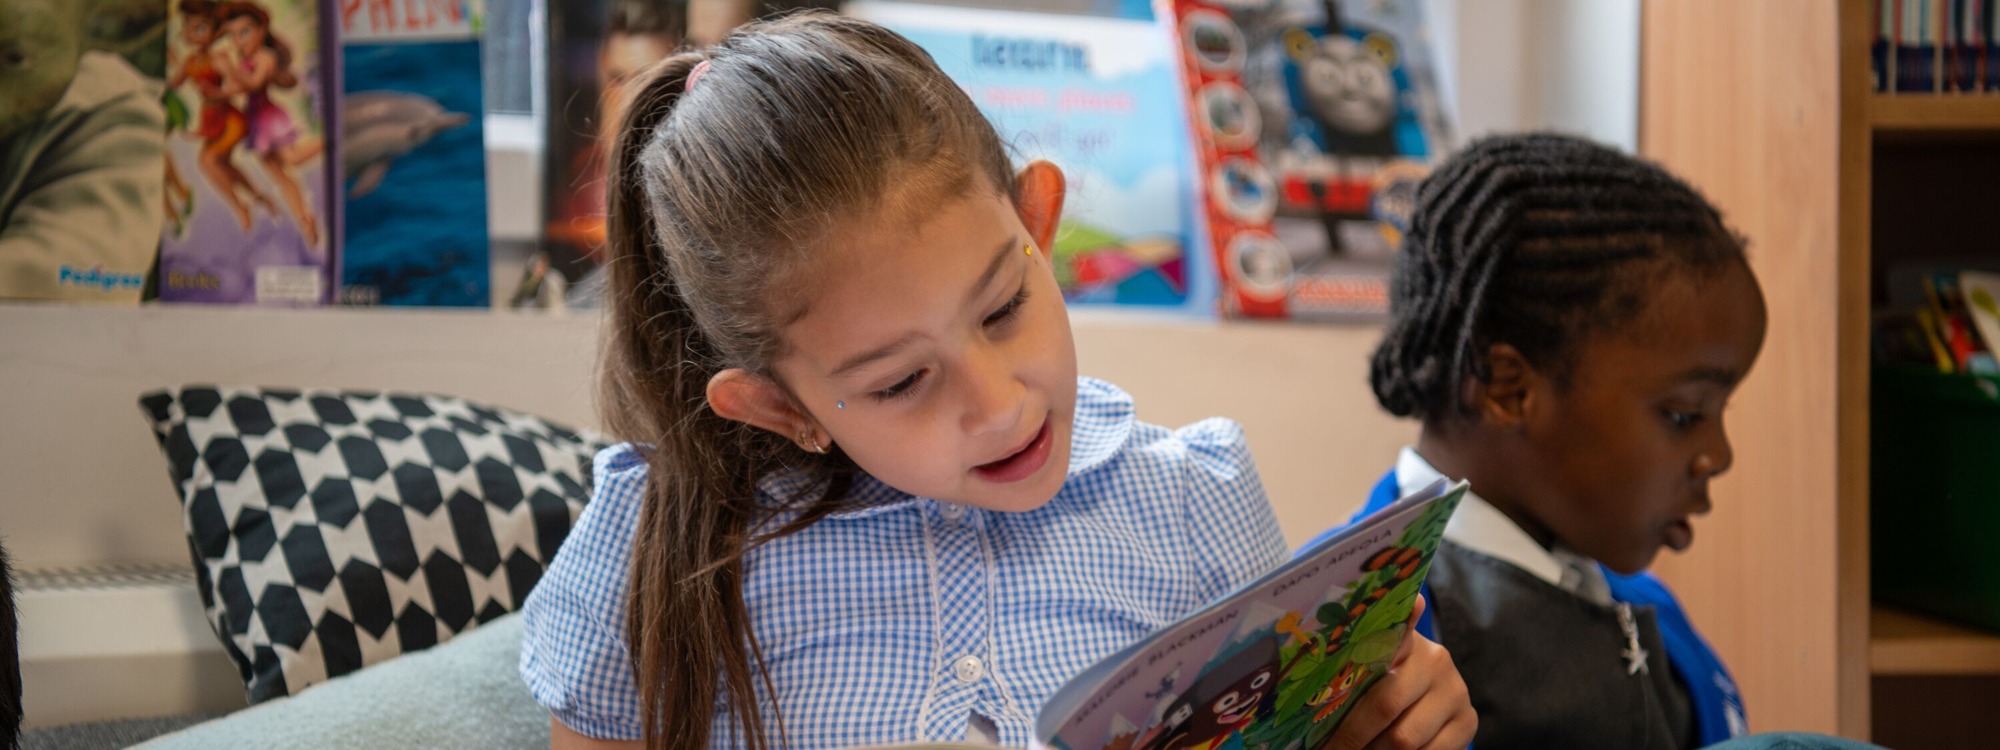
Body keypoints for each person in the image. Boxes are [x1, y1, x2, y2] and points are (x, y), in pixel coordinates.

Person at [520, 13, 1476, 750]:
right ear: (780, 405)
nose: (1001, 403)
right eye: (900, 383)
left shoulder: (1193, 500)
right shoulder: (662, 541)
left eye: (1004, 308)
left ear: (1040, 226)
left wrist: (1385, 724)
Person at [1319, 133, 1878, 750]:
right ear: (1508, 390)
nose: (1718, 455)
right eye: (1683, 413)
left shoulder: (1644, 606)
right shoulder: (1360, 638)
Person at [216, 1, 323, 249]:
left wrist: (229, 68)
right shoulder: (245, 57)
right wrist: (219, 90)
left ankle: (328, 142)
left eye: (244, 32)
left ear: (261, 30)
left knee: (292, 159)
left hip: (269, 117)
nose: (238, 41)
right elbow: (238, 88)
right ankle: (305, 220)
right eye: (233, 35)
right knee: (280, 178)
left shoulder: (266, 57)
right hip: (254, 121)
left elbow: (253, 84)